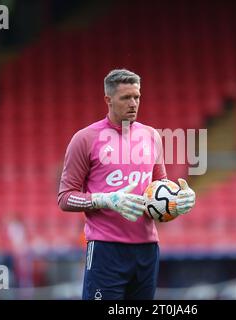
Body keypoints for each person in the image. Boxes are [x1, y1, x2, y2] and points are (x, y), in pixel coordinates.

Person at [57, 69, 196, 300]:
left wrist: (178, 200)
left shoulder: (151, 136)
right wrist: (106, 199)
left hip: (147, 250)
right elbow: (65, 198)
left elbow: (159, 184)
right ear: (108, 100)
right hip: (106, 249)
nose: (133, 103)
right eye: (126, 98)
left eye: (137, 97)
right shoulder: (85, 139)